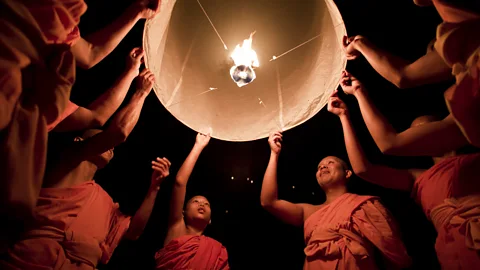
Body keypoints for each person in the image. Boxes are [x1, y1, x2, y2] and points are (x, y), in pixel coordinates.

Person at [0, 0, 161, 219]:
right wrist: (139, 92)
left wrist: (132, 71)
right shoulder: (68, 152)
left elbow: (97, 112)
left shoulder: (39, 110)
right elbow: (115, 131)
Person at [0, 69, 168, 269]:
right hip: (34, 260)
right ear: (79, 140)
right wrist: (140, 93)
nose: (110, 147)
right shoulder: (66, 162)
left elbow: (133, 231)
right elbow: (118, 133)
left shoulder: (103, 201)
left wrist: (154, 188)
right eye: (99, 138)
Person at [332, 73, 480, 269]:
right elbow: (363, 169)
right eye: (412, 132)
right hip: (455, 247)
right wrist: (345, 114)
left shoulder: (474, 158)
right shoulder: (419, 177)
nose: (416, 136)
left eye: (423, 129)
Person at [260, 132, 411, 270]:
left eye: (330, 163)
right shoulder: (308, 212)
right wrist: (274, 154)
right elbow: (268, 202)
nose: (323, 166)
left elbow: (392, 249)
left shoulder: (364, 205)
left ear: (347, 173)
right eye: (319, 167)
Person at [343, 1, 480, 147]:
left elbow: (403, 76)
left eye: (435, 49)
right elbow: (403, 75)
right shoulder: (469, 112)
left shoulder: (469, 35)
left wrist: (360, 44)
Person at [154, 133, 229, 270]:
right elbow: (180, 183)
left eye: (207, 204)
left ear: (210, 220)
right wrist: (198, 145)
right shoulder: (176, 228)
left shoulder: (216, 251)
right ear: (183, 212)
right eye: (196, 201)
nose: (202, 204)